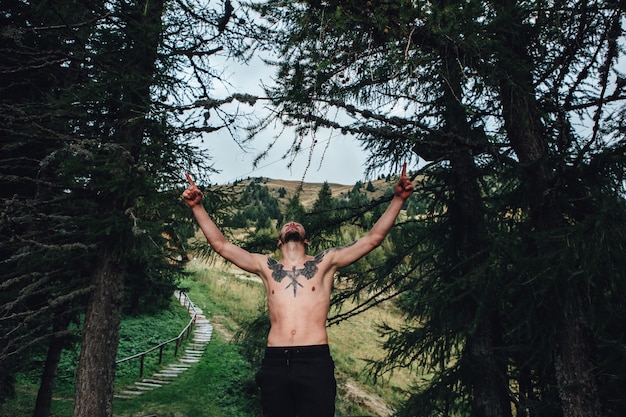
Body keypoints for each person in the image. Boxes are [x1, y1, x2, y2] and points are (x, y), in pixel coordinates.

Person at [182, 166, 414, 417]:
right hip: (275, 361)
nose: (292, 223)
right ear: (279, 241)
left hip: (314, 360)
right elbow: (222, 245)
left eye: (297, 224)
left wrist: (399, 199)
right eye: (286, 224)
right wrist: (197, 207)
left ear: (306, 241)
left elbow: (372, 239)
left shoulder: (326, 262)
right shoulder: (265, 266)